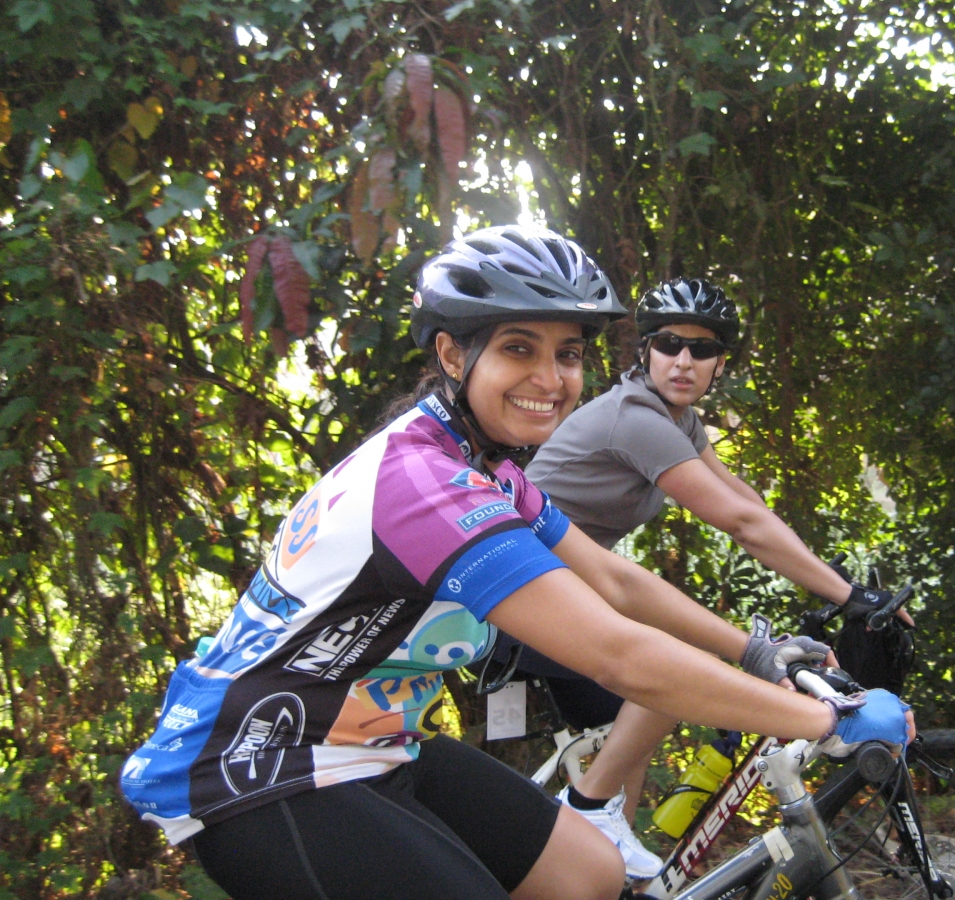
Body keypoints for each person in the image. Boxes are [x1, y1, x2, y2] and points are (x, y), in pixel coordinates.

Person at [119, 227, 909, 900]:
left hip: (372, 746)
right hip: (261, 771)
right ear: (452, 354)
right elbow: (617, 650)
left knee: (588, 874)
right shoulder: (423, 483)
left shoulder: (487, 466)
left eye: (568, 354)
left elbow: (615, 579)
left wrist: (753, 652)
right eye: (518, 349)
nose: (550, 379)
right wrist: (824, 720)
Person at [519, 277, 916, 877]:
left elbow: (744, 500)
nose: (683, 360)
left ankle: (605, 857)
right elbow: (738, 522)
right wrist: (851, 596)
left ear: (718, 364)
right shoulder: (635, 418)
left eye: (701, 350)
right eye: (669, 343)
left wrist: (835, 579)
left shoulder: (679, 421)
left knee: (641, 717)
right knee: (673, 668)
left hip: (572, 584)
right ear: (644, 351)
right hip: (522, 593)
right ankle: (587, 808)